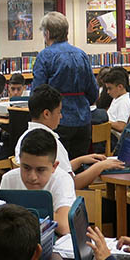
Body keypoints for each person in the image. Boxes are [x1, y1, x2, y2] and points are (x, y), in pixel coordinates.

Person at [15, 84, 123, 189]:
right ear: (46, 114)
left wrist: (80, 160)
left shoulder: (25, 137)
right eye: (59, 112)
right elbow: (72, 185)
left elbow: (55, 170)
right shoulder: (49, 142)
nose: (61, 116)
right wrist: (101, 166)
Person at [32, 12, 99, 159]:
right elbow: (93, 91)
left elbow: (38, 93)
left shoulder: (45, 56)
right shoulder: (81, 55)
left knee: (59, 165)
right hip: (83, 120)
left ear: (47, 33)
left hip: (57, 120)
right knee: (80, 165)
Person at [0, 129, 76, 235]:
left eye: (40, 170)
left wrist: (24, 206)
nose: (32, 177)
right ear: (20, 162)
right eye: (26, 168)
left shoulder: (62, 180)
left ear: (54, 166)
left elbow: (64, 227)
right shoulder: (8, 179)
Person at [103, 69, 130, 133]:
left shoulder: (124, 102)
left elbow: (121, 126)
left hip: (114, 137)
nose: (108, 92)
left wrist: (105, 121)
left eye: (110, 88)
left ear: (120, 87)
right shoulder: (117, 98)